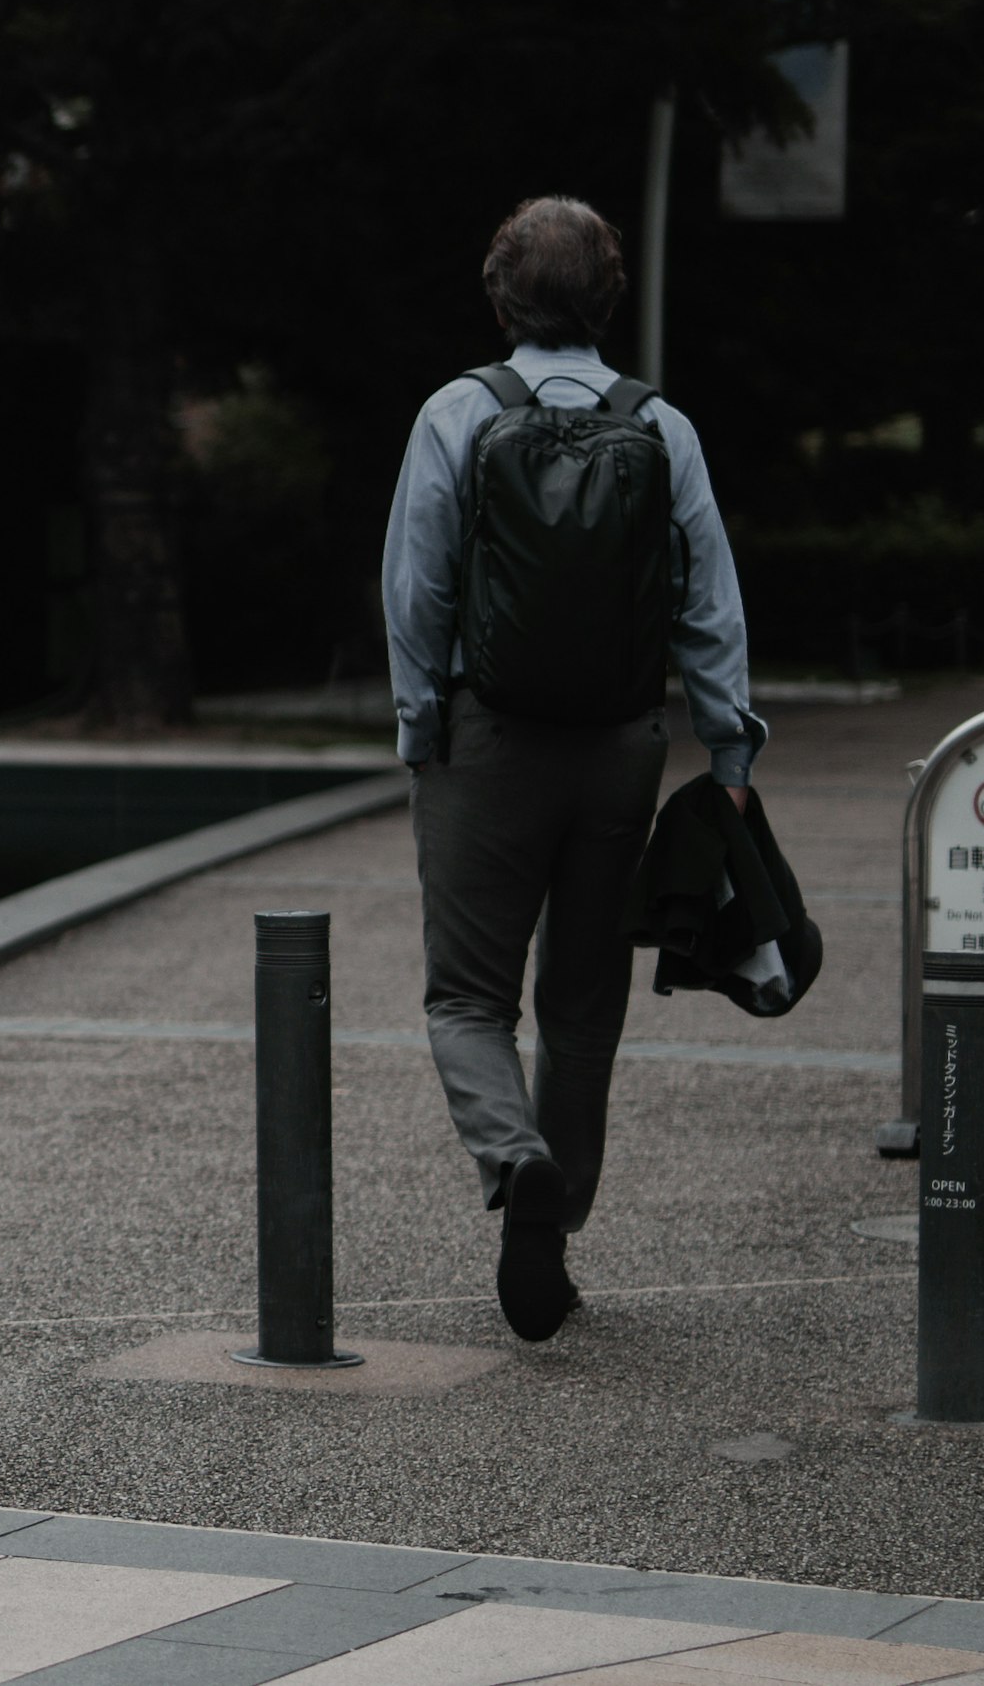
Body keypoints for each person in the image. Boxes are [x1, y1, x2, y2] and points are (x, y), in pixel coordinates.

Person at [379, 195, 763, 1341]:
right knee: (582, 1000)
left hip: (486, 739)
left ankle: (514, 1156)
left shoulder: (458, 411)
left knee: (466, 996)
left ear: (500, 297)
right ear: (609, 299)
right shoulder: (662, 425)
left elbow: (418, 587)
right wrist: (730, 743)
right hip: (619, 745)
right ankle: (551, 1222)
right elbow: (710, 603)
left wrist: (421, 724)